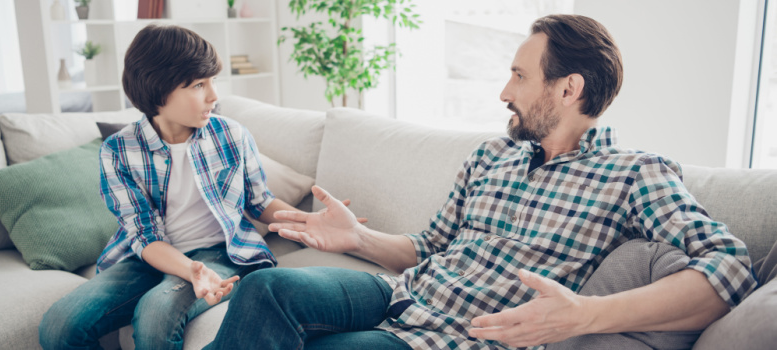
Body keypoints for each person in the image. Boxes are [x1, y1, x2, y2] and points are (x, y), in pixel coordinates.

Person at [205, 14, 757, 350]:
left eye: (519, 76)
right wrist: (358, 240)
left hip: (449, 338)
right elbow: (429, 247)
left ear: (569, 89)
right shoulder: (492, 156)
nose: (504, 92)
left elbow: (729, 267)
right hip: (400, 294)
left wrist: (585, 315)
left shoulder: (634, 173)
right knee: (266, 288)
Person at [38, 24, 302, 349]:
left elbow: (259, 202)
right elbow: (144, 235)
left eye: (213, 81)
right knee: (58, 325)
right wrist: (190, 270)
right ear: (158, 91)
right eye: (197, 85)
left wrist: (311, 222)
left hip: (221, 253)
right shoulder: (118, 150)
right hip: (149, 256)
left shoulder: (231, 135)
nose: (213, 96)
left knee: (155, 315)